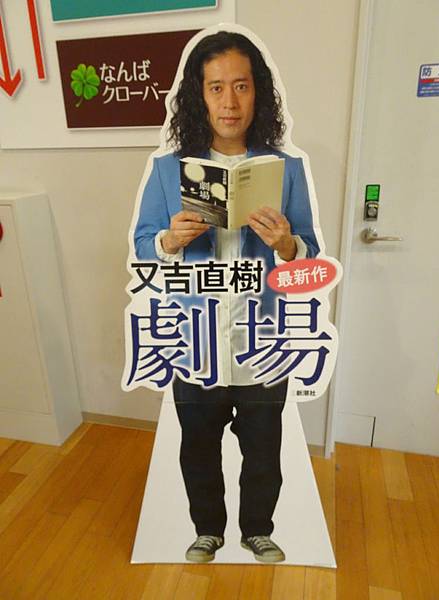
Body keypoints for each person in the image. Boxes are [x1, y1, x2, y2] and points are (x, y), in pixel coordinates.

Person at [134, 30, 319, 563]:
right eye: (216, 87)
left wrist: (286, 244)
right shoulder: (168, 170)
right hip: (195, 340)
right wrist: (170, 240)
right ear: (200, 95)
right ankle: (207, 530)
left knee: (263, 447)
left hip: (262, 337)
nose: (230, 101)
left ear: (258, 92)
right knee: (198, 446)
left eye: (241, 85)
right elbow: (145, 244)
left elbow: (308, 253)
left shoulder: (286, 168)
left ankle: (257, 529)